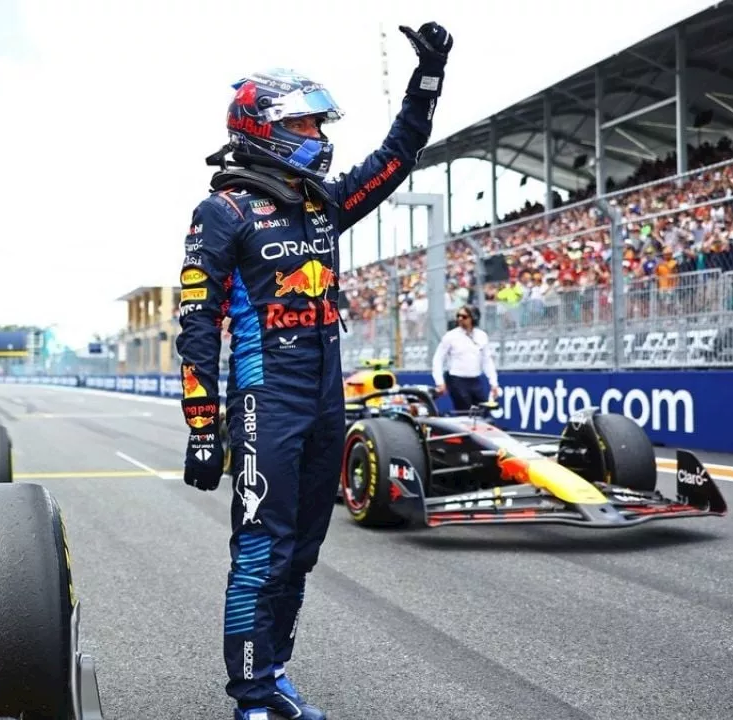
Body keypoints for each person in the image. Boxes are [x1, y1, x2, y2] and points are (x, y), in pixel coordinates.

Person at [174, 22, 453, 720]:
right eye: (301, 121)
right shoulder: (222, 211)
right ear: (261, 128)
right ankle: (252, 699)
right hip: (266, 398)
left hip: (328, 399)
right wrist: (204, 426)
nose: (316, 133)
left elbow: (396, 158)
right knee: (261, 549)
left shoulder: (321, 202)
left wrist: (427, 80)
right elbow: (197, 326)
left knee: (300, 553)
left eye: (317, 121)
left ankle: (272, 675)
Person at [432, 304, 500, 411]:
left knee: (483, 411)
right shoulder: (451, 336)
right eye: (458, 316)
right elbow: (438, 359)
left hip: (475, 379)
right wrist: (439, 381)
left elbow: (487, 360)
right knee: (465, 411)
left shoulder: (482, 336)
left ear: (473, 318)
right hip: (457, 380)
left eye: (464, 317)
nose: (460, 319)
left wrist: (494, 383)